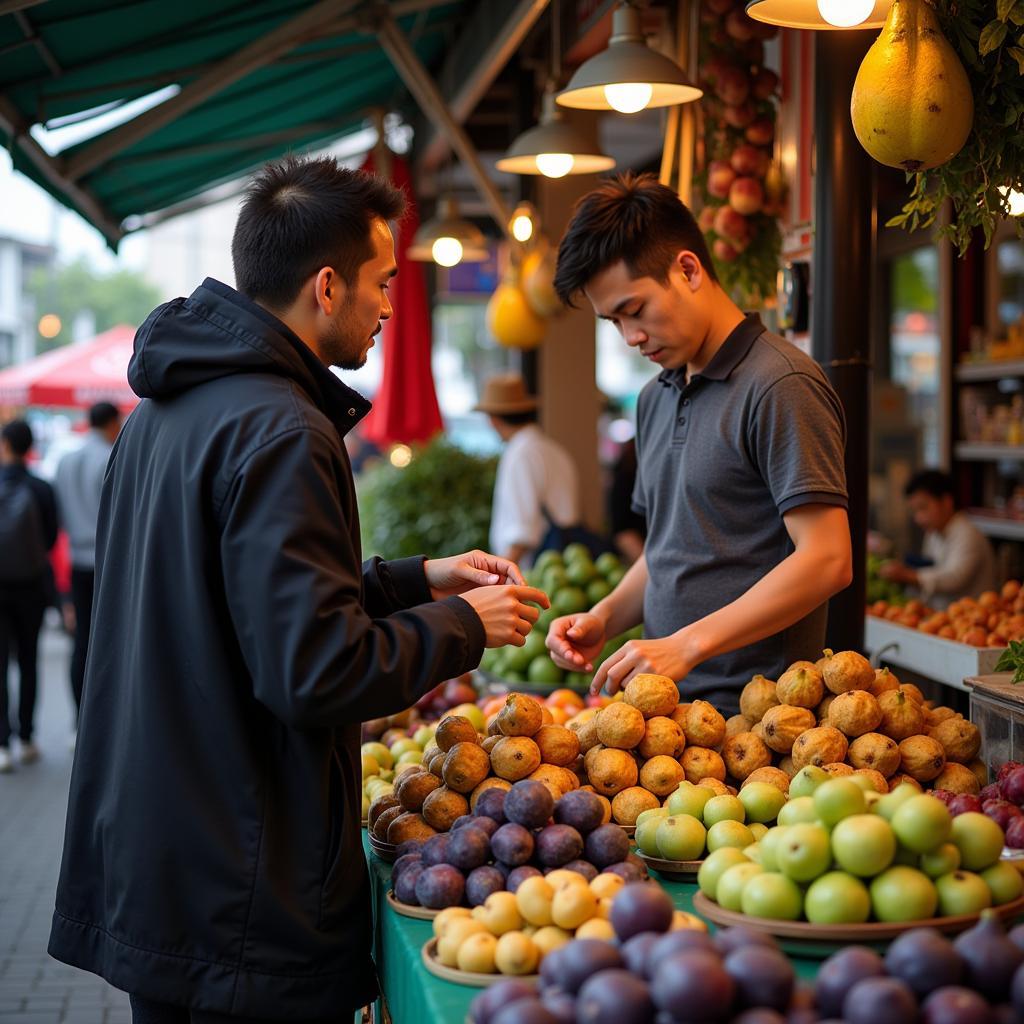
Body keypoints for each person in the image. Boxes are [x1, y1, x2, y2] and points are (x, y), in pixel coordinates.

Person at [48, 156, 547, 1024]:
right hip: (243, 890)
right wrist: (465, 623)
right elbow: (314, 669)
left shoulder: (165, 413)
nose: (391, 307)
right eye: (383, 283)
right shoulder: (283, 429)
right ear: (327, 285)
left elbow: (231, 605)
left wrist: (414, 581)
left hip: (167, 862)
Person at [546, 173, 853, 714]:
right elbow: (668, 549)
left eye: (635, 310)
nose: (630, 337)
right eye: (613, 320)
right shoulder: (653, 398)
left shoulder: (781, 384)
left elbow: (828, 559)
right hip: (662, 717)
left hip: (763, 724)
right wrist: (606, 615)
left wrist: (687, 644)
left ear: (687, 269)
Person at [53, 401, 123, 732]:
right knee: (111, 638)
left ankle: (78, 721)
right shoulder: (112, 457)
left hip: (75, 561)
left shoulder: (66, 461)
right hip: (108, 561)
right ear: (111, 423)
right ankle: (104, 720)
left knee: (80, 641)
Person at [475, 372, 581, 565]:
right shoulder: (552, 448)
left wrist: (501, 575)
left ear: (494, 419)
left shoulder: (520, 454)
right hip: (564, 560)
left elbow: (522, 530)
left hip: (535, 567)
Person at [0, 418, 58, 772]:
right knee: (28, 660)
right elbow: (51, 538)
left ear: (5, 445)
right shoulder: (41, 487)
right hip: (32, 585)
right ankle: (28, 737)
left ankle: (2, 743)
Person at [879, 469, 996, 609]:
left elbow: (954, 578)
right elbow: (931, 568)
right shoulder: (934, 533)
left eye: (923, 508)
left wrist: (908, 575)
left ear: (946, 502)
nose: (918, 518)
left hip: (972, 621)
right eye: (914, 511)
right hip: (943, 620)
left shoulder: (968, 534)